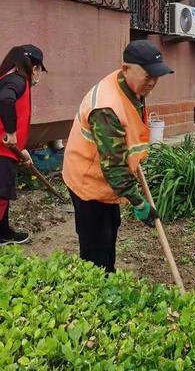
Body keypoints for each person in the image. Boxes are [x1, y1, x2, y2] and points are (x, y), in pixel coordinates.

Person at [62, 40, 173, 273]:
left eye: (157, 75)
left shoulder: (131, 86)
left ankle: (108, 273)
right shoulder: (105, 108)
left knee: (111, 227)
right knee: (96, 246)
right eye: (148, 75)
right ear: (126, 68)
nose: (153, 82)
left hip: (105, 182)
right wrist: (138, 201)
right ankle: (95, 290)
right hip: (88, 182)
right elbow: (114, 167)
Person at [0, 45, 47, 245]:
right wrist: (11, 133)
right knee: (1, 194)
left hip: (7, 150)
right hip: (2, 150)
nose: (38, 75)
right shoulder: (18, 80)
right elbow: (5, 99)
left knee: (3, 194)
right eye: (39, 70)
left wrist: (22, 149)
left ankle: (3, 234)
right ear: (33, 67)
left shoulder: (8, 77)